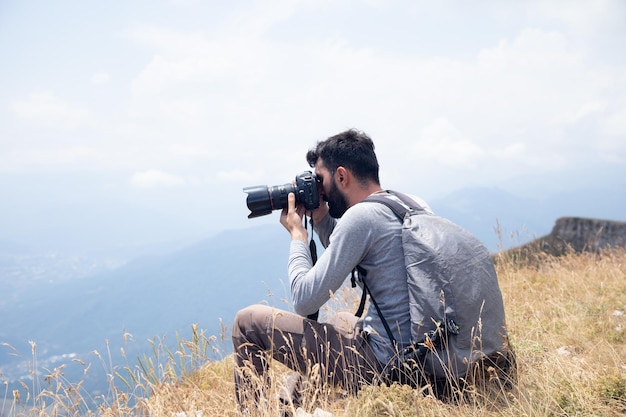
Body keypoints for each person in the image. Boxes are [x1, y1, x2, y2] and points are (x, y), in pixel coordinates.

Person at [231, 129, 513, 410]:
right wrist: (320, 218)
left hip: (393, 368)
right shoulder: (407, 204)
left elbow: (305, 301)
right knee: (343, 319)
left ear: (341, 176)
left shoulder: (360, 218)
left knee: (247, 323)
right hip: (430, 356)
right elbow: (354, 251)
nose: (321, 189)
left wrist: (297, 236)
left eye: (322, 179)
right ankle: (296, 404)